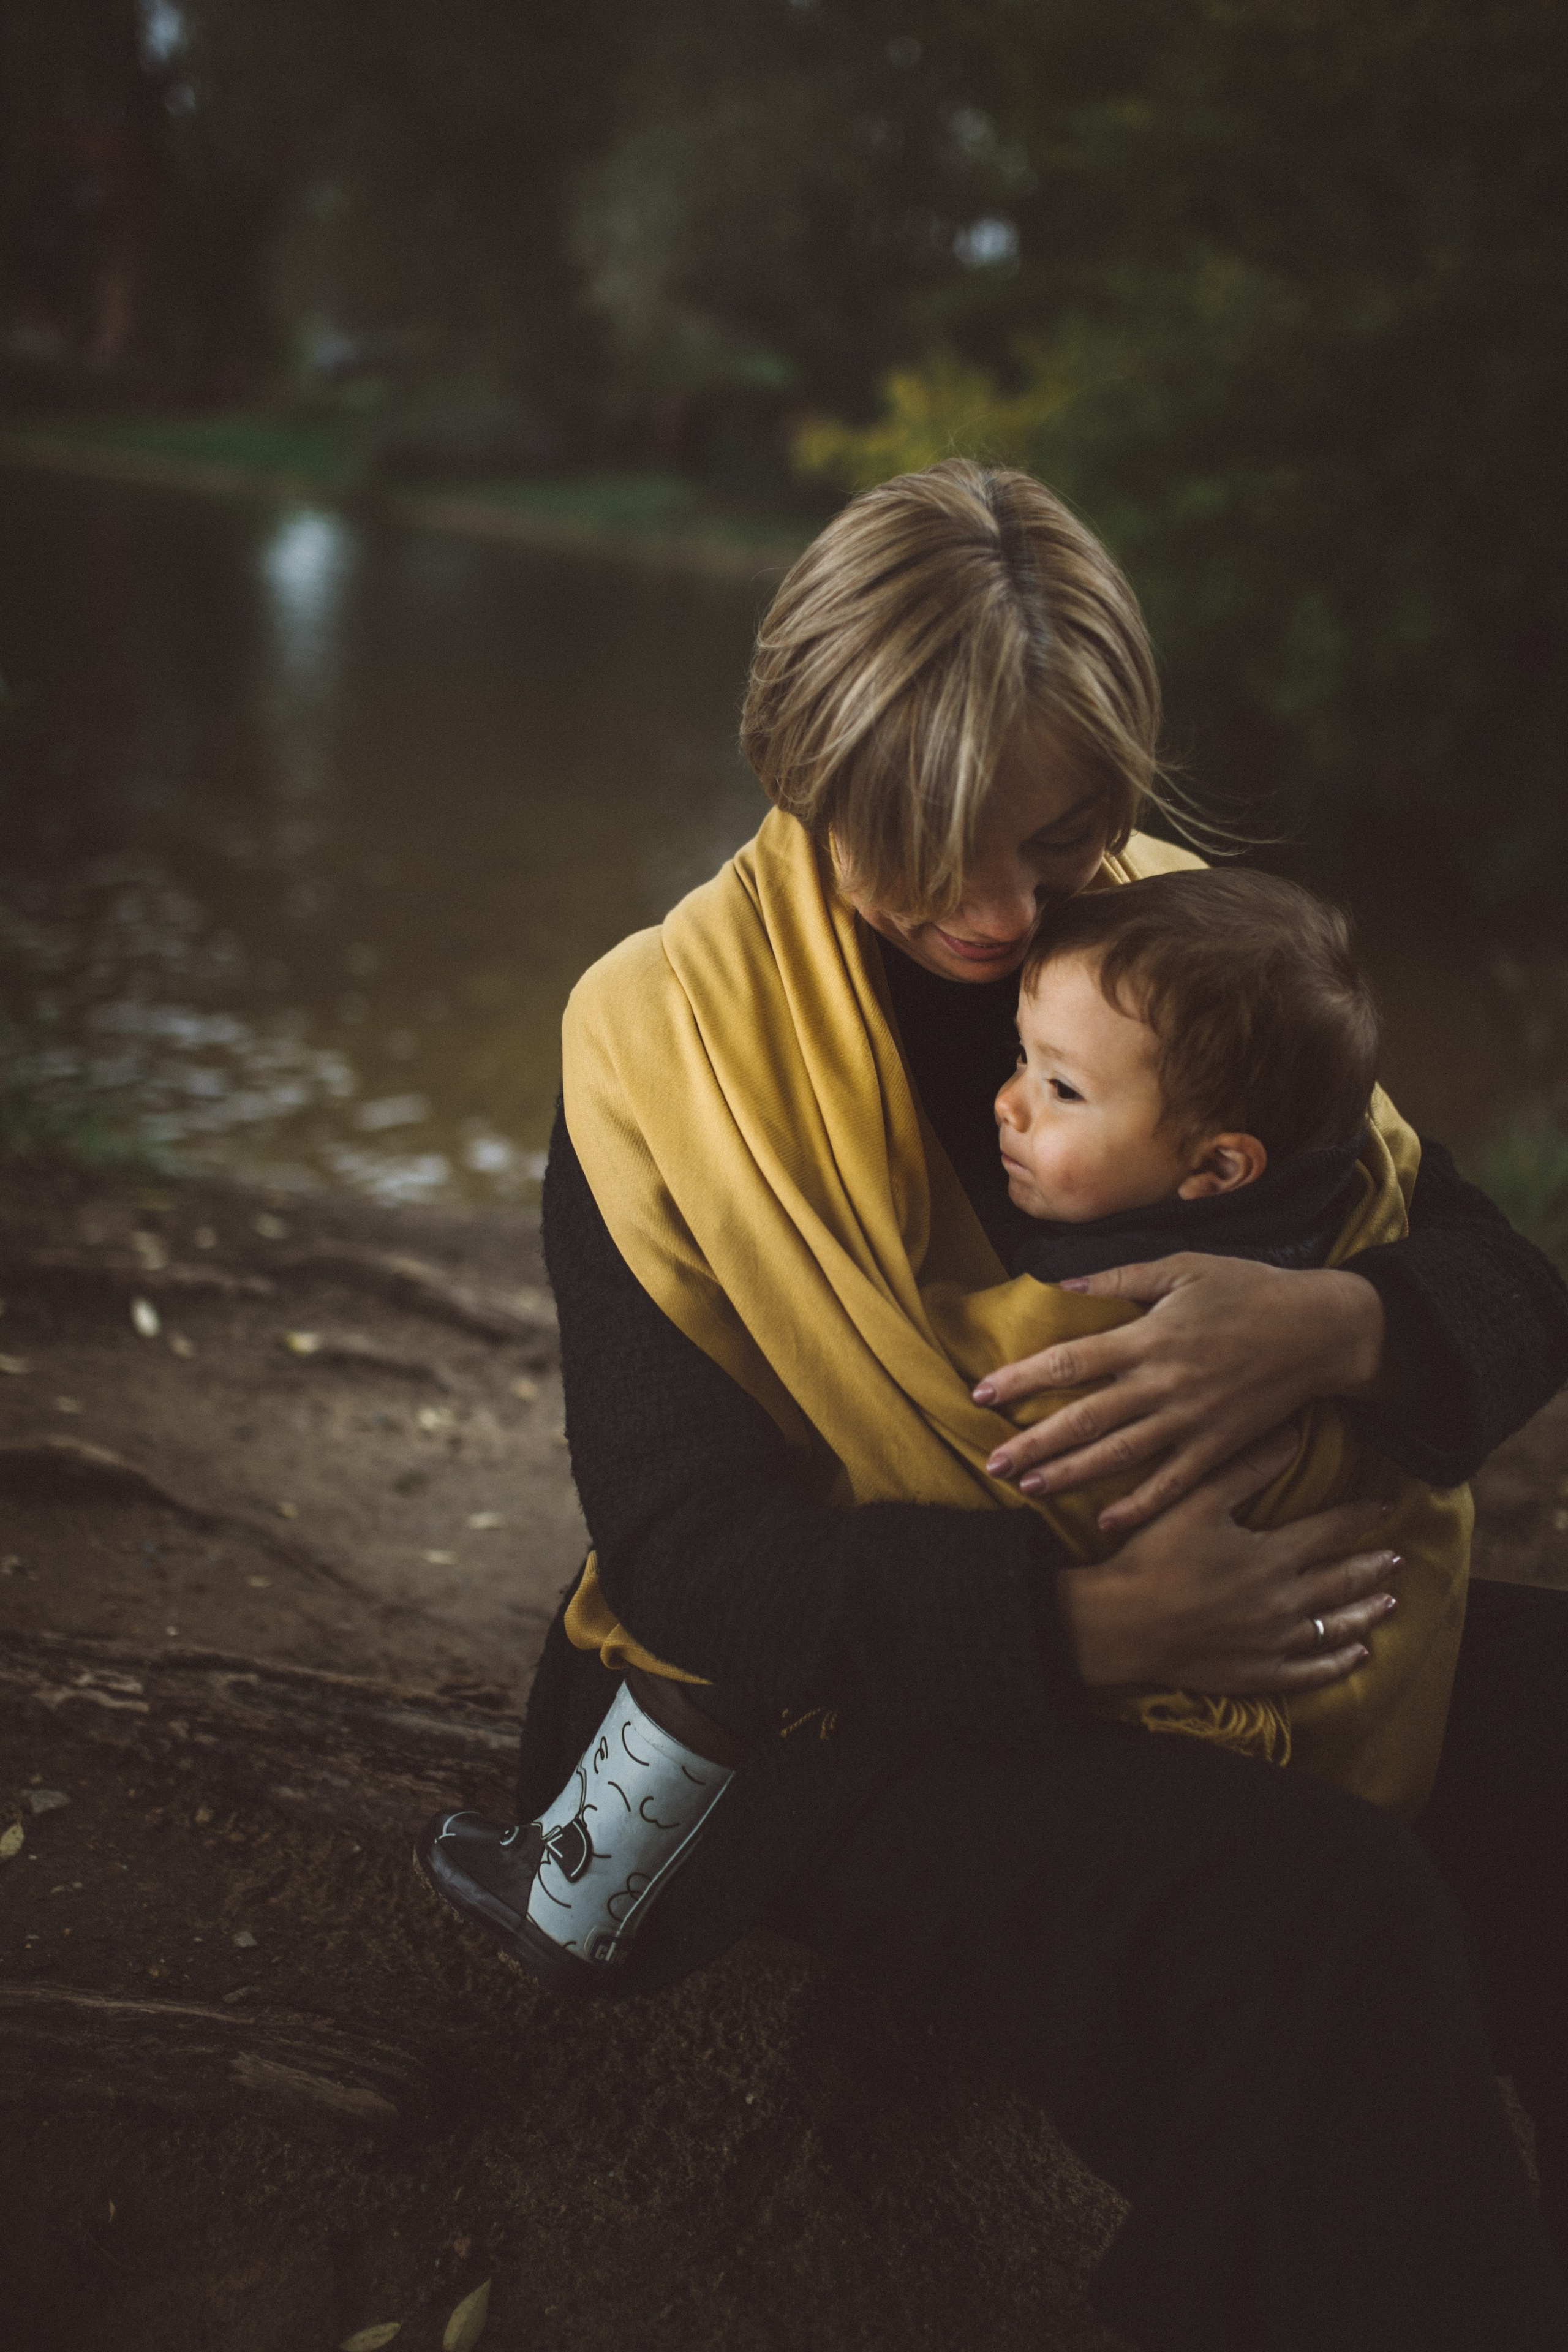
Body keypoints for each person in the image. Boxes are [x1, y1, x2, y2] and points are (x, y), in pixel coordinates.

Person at [419, 461, 1568, 2349]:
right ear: (801, 765)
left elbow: (1510, 1287)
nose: (996, 907)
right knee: (1322, 1919)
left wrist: (1328, 1330)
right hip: (810, 1712)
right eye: (926, 841)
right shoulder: (661, 1047)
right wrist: (1088, 1625)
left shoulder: (1192, 960)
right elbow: (693, 1553)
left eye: (1058, 835)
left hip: (1223, 1632)